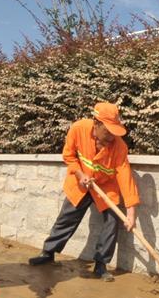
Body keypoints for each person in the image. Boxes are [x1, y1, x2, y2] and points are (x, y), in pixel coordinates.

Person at [28, 102, 140, 281]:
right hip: (81, 181)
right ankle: (48, 252)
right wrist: (80, 174)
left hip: (105, 186)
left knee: (112, 222)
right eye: (108, 131)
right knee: (67, 218)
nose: (111, 136)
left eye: (114, 131)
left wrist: (131, 212)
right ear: (96, 123)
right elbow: (69, 155)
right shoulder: (78, 129)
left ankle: (101, 265)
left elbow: (125, 177)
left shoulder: (119, 146)